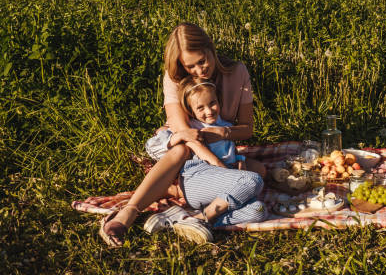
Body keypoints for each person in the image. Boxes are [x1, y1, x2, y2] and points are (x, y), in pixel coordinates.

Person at [99, 23, 267, 248]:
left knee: (258, 209)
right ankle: (127, 213)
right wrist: (217, 164)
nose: (199, 70)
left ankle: (189, 219)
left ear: (211, 49)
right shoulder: (175, 77)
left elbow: (247, 128)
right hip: (190, 160)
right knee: (187, 150)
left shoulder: (237, 71)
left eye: (202, 61)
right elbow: (184, 132)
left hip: (221, 152)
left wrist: (223, 132)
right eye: (191, 66)